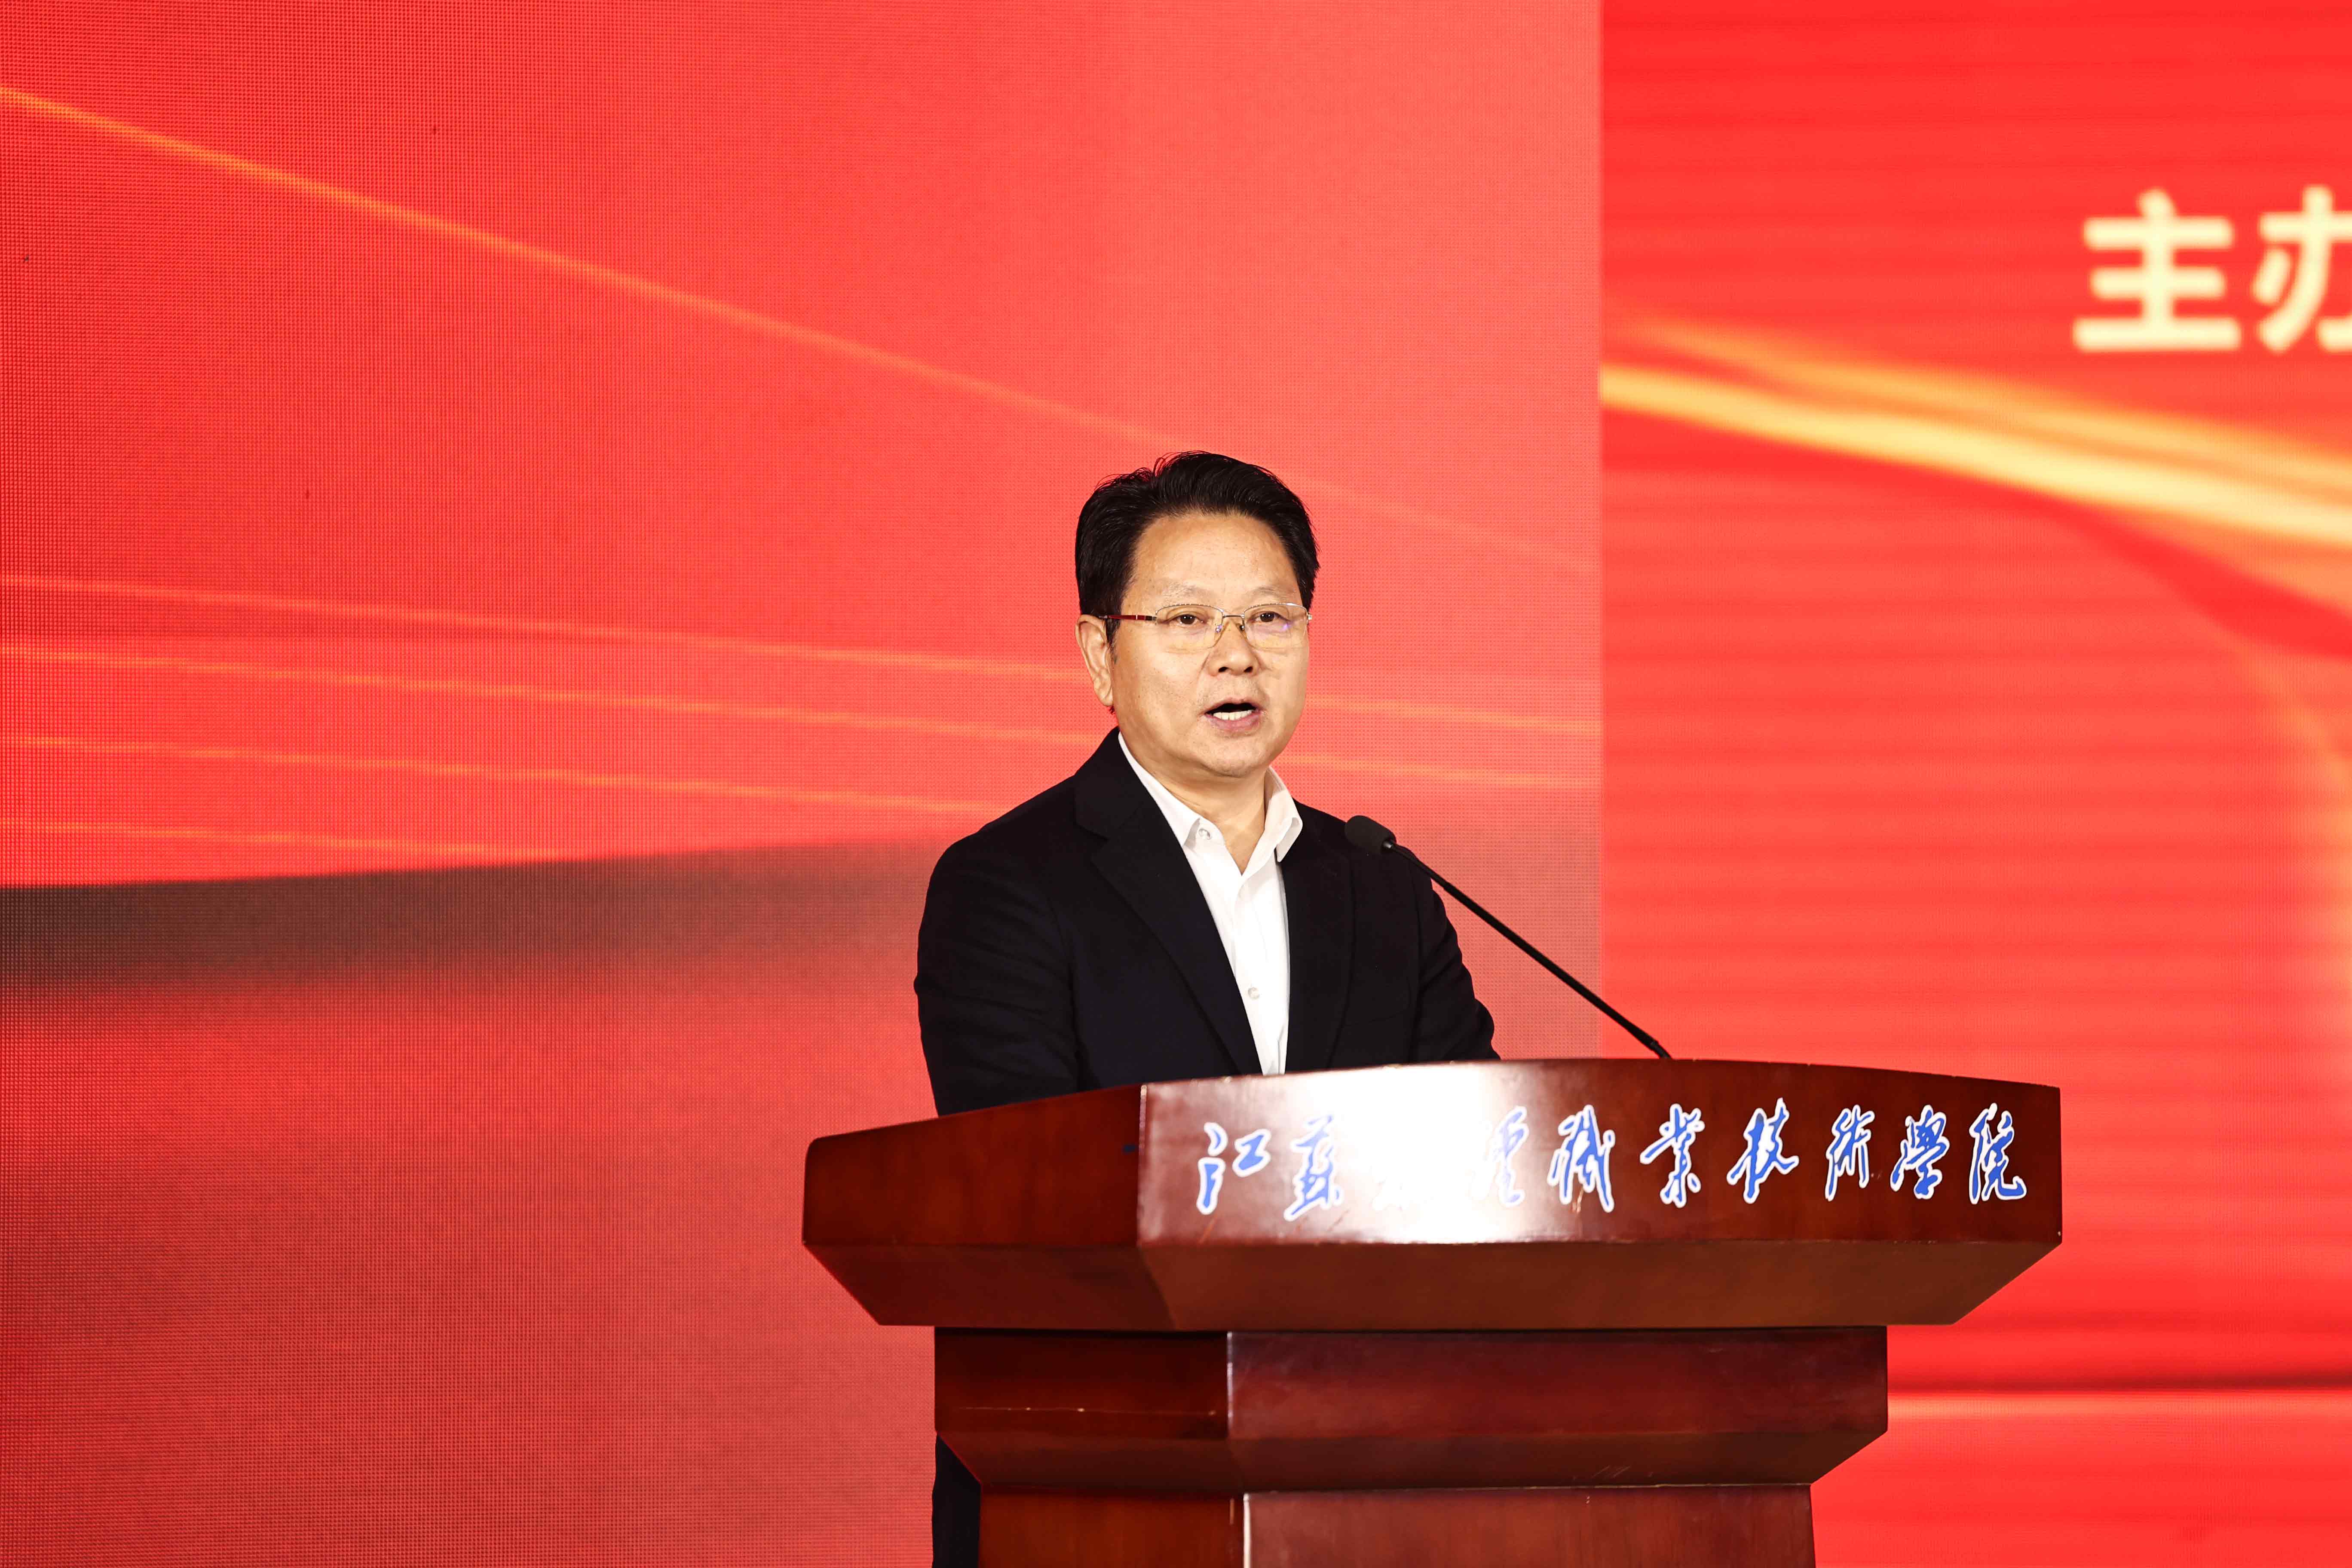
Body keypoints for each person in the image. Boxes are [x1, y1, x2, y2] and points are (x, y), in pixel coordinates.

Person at [913, 451, 1498, 1566]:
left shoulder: (1384, 887)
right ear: (1101, 653)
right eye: (1188, 621)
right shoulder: (1007, 884)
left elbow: (1475, 1161)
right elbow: (1026, 1190)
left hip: (1364, 1488)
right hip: (1096, 1487)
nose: (1237, 655)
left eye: (1271, 618)